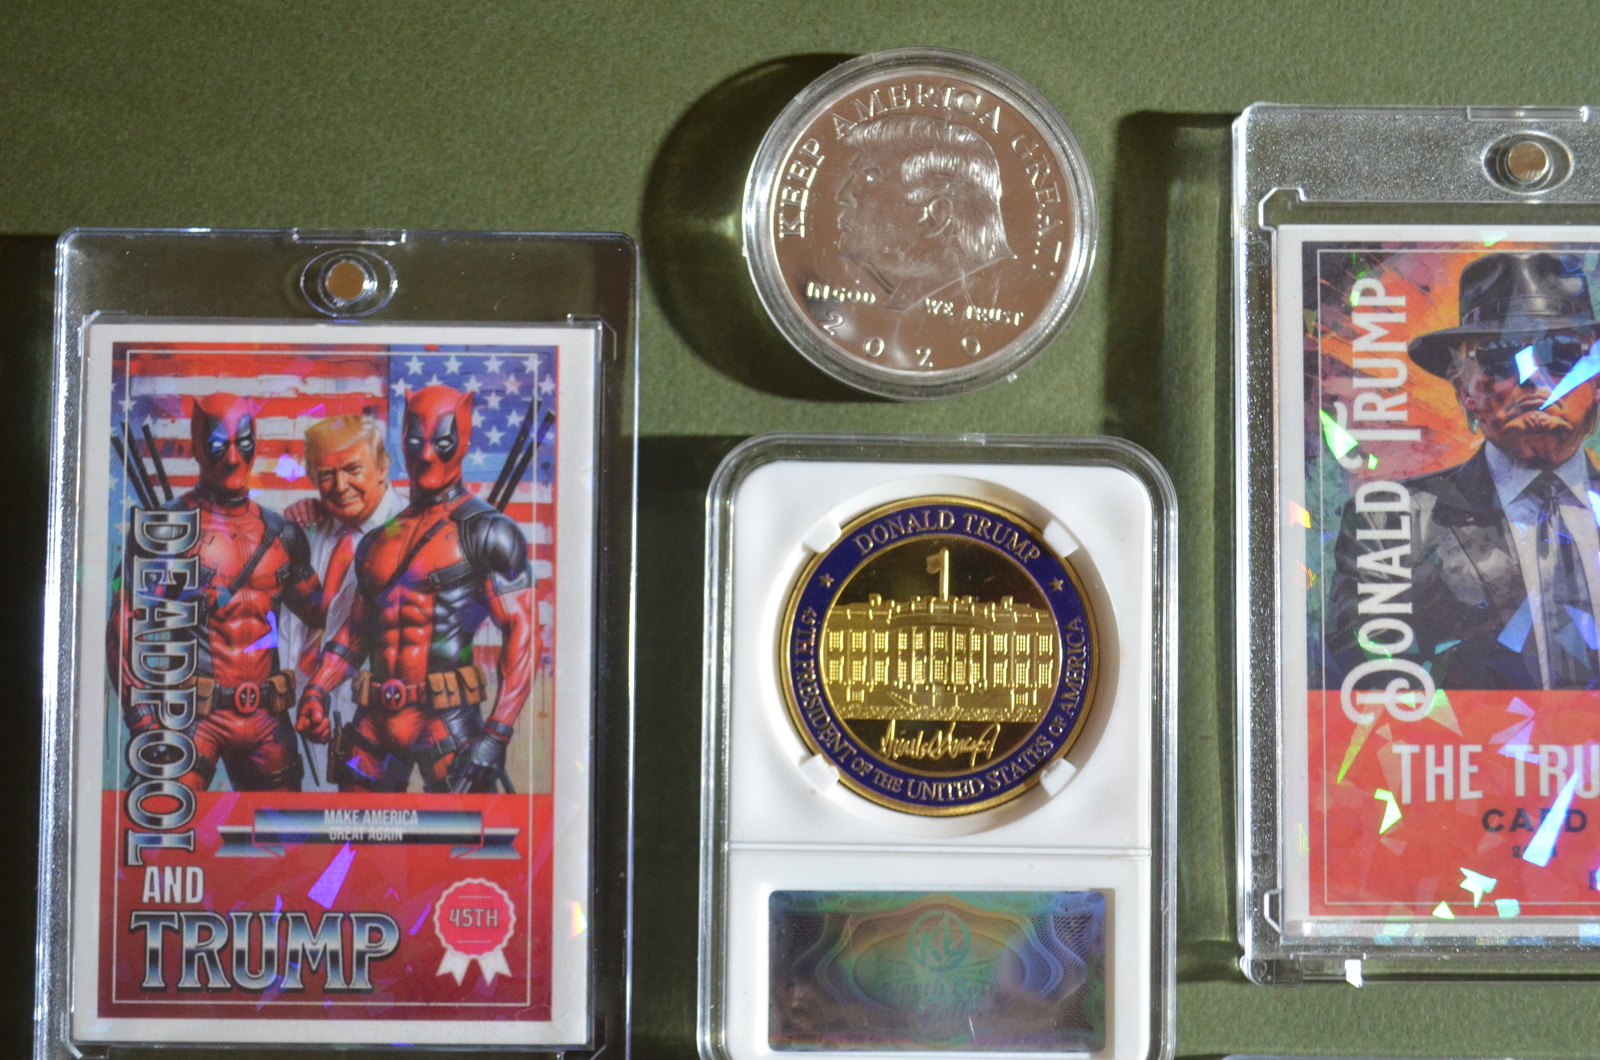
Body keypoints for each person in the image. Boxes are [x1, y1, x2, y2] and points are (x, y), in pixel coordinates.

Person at [1327, 252, 1600, 691]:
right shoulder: (1391, 521)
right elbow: (1375, 688)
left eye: (1561, 351)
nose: (1531, 377)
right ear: (1463, 392)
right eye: (1499, 356)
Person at [295, 385, 534, 793]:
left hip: (445, 722)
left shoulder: (486, 531)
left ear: (463, 441)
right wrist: (317, 691)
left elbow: (521, 632)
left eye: (442, 443)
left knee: (465, 832)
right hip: (373, 724)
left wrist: (497, 734)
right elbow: (355, 632)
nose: (426, 455)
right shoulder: (378, 540)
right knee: (351, 830)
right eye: (414, 441)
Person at [109, 393, 325, 790]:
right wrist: (141, 718)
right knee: (168, 817)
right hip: (195, 720)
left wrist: (331, 518)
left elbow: (324, 614)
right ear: (196, 446)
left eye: (243, 444)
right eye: (217, 446)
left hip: (266, 717)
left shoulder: (284, 535)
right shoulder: (165, 530)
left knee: (284, 828)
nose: (233, 458)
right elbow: (123, 627)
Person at [276, 414, 408, 776]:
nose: (339, 486)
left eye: (353, 469)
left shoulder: (413, 534)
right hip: (297, 713)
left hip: (377, 720)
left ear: (383, 467)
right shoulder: (304, 529)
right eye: (326, 475)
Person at [834, 114, 1014, 312]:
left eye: (870, 178)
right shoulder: (914, 298)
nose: (842, 195)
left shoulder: (997, 297)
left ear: (935, 216)